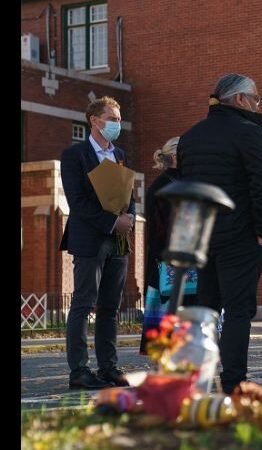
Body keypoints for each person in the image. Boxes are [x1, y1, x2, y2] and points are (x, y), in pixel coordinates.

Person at [177, 73, 262, 394]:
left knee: (206, 308)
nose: (256, 104)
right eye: (255, 98)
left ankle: (201, 378)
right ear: (239, 99)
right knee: (237, 310)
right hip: (240, 234)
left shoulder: (190, 137)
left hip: (202, 236)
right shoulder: (249, 133)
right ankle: (234, 381)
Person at [60, 96, 135, 389]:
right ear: (94, 120)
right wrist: (110, 222)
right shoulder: (75, 155)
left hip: (118, 241)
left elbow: (129, 194)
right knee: (83, 303)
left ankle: (109, 367)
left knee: (109, 307)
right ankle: (79, 370)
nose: (117, 123)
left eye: (118, 119)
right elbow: (76, 201)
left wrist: (129, 217)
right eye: (112, 118)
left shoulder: (120, 154)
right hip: (90, 238)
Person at [140, 137, 197, 354]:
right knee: (171, 311)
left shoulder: (185, 182)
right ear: (174, 156)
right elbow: (161, 229)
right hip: (168, 260)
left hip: (184, 258)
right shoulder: (163, 187)